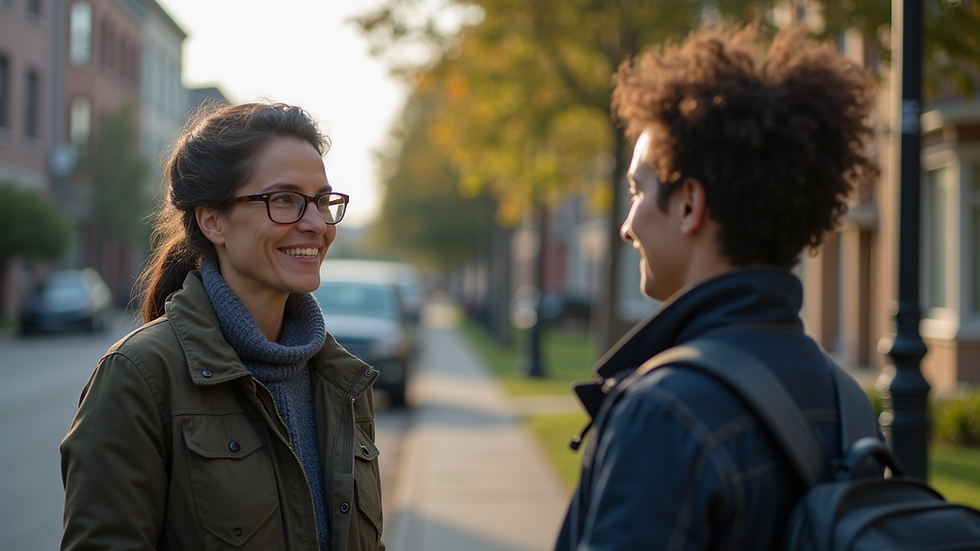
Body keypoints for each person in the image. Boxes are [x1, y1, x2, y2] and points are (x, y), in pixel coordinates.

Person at [555, 23, 880, 550]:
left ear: (689, 205)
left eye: (638, 191)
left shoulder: (664, 412)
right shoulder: (848, 403)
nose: (627, 224)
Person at [61, 102, 385, 551]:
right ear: (213, 221)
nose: (316, 224)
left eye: (322, 200)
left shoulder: (344, 381)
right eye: (285, 200)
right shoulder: (140, 376)